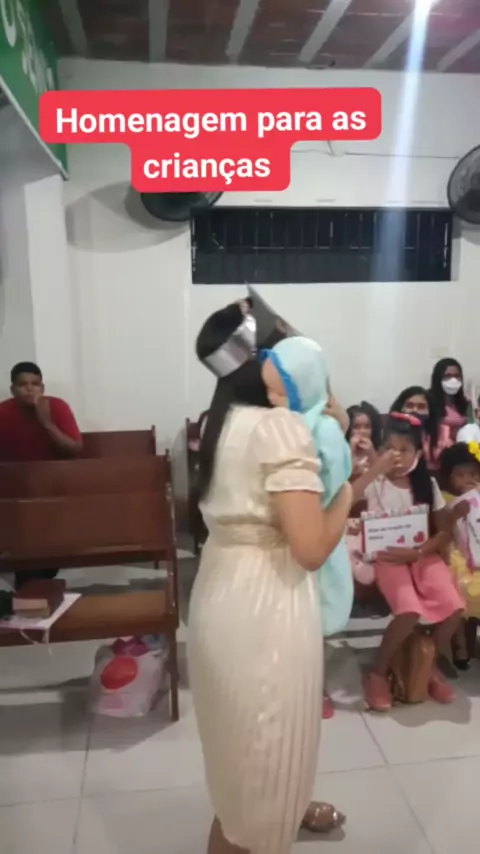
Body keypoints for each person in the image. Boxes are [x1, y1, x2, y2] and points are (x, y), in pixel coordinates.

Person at [188, 299, 353, 854]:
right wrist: (346, 494)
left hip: (220, 588)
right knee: (266, 747)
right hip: (267, 601)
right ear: (265, 361)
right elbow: (310, 548)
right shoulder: (280, 429)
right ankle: (268, 822)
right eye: (285, 338)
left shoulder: (219, 420)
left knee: (240, 755)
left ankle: (280, 810)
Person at [356, 413, 464, 713]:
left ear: (418, 453)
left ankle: (426, 664)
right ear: (380, 450)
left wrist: (417, 552)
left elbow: (443, 531)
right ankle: (378, 673)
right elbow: (349, 502)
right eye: (390, 448)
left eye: (404, 449)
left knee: (455, 607)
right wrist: (369, 470)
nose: (397, 456)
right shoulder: (373, 483)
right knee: (408, 610)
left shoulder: (426, 484)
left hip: (421, 554)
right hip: (387, 558)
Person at [0, 362, 82, 588]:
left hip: (54, 487)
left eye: (35, 384)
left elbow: (75, 449)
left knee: (46, 556)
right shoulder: (3, 412)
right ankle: (29, 588)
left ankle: (37, 584)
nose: (29, 389)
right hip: (15, 490)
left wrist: (46, 423)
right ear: (13, 389)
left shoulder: (58, 407)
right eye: (23, 385)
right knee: (27, 549)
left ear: (42, 388)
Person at [440, 442, 480, 668]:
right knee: (461, 593)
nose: (467, 479)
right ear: (449, 477)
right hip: (458, 556)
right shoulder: (445, 498)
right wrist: (455, 513)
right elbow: (441, 526)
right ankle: (461, 644)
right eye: (460, 475)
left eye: (473, 474)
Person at [390, 385, 450, 470]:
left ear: (430, 411)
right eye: (409, 405)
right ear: (400, 408)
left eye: (421, 407)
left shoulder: (441, 433)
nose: (415, 410)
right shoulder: (390, 433)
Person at [430, 358, 469, 443]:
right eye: (448, 376)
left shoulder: (465, 403)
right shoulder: (428, 401)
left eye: (457, 376)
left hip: (462, 447)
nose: (453, 380)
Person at [346, 401, 383, 476]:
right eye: (356, 427)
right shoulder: (341, 452)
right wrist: (351, 450)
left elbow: (381, 476)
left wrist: (371, 453)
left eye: (367, 427)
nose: (362, 431)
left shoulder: (381, 451)